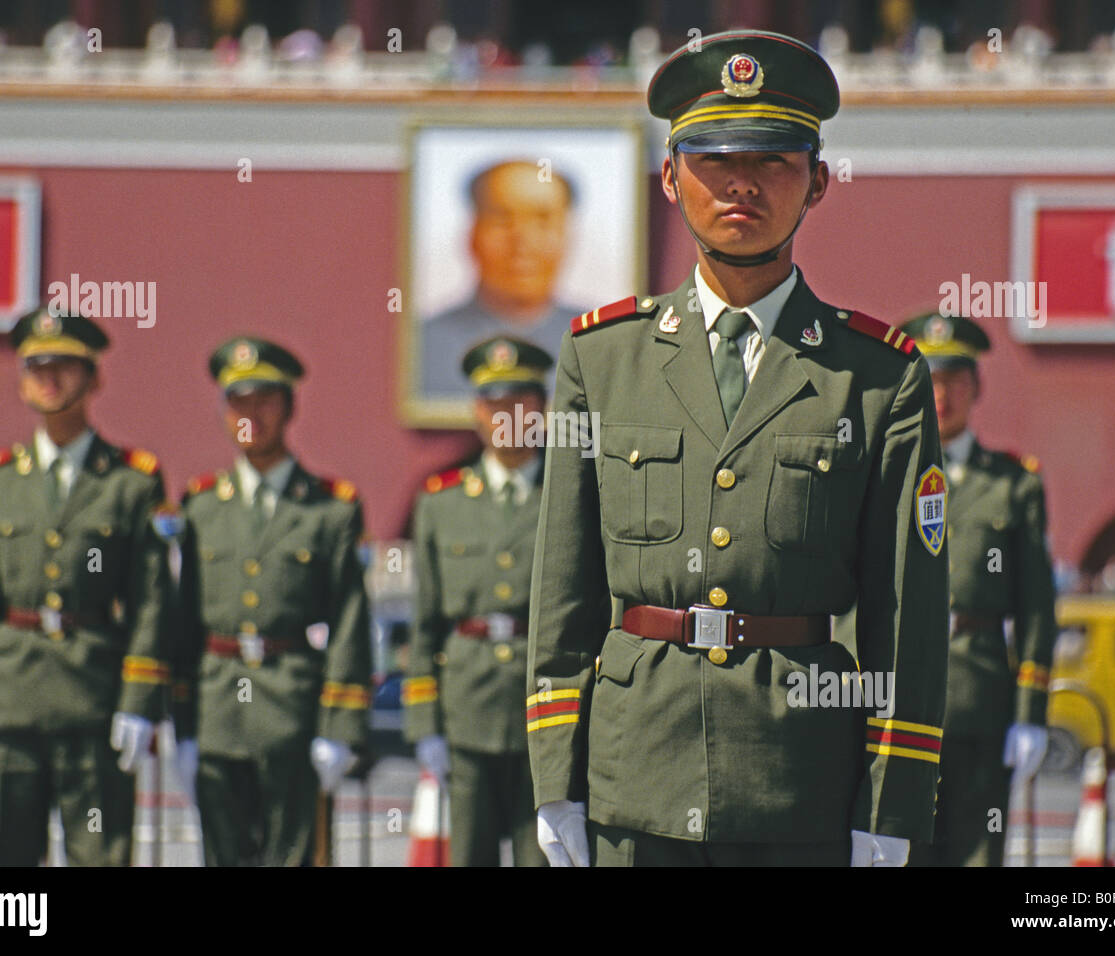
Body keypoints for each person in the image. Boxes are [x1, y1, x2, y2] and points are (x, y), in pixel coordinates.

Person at [527, 30, 950, 867]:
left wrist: (891, 804)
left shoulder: (875, 379)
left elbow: (906, 618)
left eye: (775, 159)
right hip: (634, 779)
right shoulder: (602, 359)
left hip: (799, 788)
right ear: (670, 177)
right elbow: (562, 594)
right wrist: (554, 781)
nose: (742, 183)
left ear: (819, 181)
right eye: (715, 158)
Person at [0, 309, 170, 866]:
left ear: (94, 378)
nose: (49, 379)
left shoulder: (129, 481)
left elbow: (150, 600)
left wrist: (139, 702)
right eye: (36, 367)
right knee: (7, 866)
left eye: (64, 367)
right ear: (22, 381)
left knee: (101, 855)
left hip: (92, 702)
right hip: (12, 701)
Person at [172, 336, 373, 866]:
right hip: (218, 714)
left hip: (294, 712)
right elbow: (182, 623)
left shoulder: (329, 509)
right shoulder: (200, 505)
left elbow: (350, 621)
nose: (250, 414)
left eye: (264, 399)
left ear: (289, 407)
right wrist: (182, 726)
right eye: (238, 401)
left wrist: (341, 729)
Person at [898, 311, 1057, 866]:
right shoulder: (887, 474)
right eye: (932, 381)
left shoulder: (1013, 484)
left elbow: (1038, 606)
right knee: (897, 849)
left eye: (956, 382)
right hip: (896, 695)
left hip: (980, 695)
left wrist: (1030, 711)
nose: (942, 397)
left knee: (976, 853)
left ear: (976, 388)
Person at [403, 336, 553, 866]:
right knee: (469, 856)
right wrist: (424, 723)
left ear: (542, 409)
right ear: (475, 412)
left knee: (543, 857)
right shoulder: (441, 502)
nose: (506, 415)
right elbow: (424, 623)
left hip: (548, 713)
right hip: (466, 709)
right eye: (494, 403)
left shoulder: (572, 495)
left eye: (520, 401)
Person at [420, 160, 584, 397]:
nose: (522, 241)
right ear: (472, 235)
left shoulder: (600, 340)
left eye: (543, 220)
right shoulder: (424, 343)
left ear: (567, 237)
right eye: (501, 219)